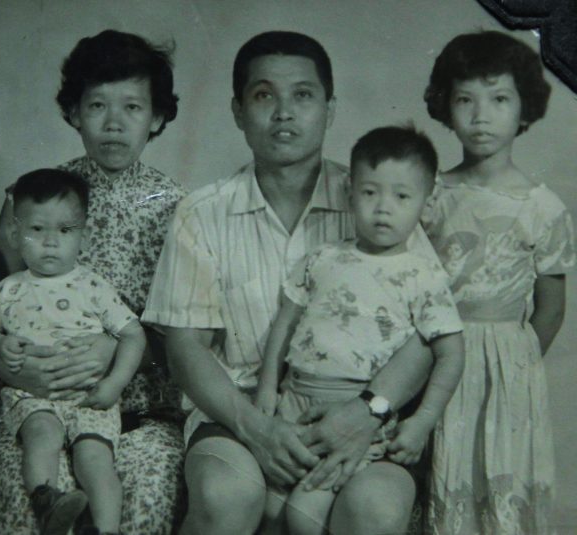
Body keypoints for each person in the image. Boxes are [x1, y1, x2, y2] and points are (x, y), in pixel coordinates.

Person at [142, 31, 437, 535]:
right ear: (238, 111)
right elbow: (186, 349)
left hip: (359, 415)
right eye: (264, 96)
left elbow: (428, 332)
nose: (284, 112)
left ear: (330, 107)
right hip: (236, 415)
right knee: (224, 495)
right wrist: (256, 429)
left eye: (303, 95)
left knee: (376, 511)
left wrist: (369, 411)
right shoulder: (202, 214)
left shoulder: (376, 200)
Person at [0, 30, 187, 535]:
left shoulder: (179, 209)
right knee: (29, 505)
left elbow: (188, 333)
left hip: (139, 412)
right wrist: (16, 363)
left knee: (142, 503)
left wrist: (117, 351)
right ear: (74, 112)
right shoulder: (32, 198)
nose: (113, 123)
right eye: (97, 105)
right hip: (37, 401)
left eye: (133, 108)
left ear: (157, 117)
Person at [254, 126, 465, 534]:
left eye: (401, 196)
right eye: (370, 193)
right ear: (350, 191)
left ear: (427, 200)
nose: (383, 208)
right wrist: (267, 386)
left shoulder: (423, 275)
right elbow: (285, 322)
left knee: (303, 516)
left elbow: (451, 353)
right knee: (271, 510)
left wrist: (423, 420)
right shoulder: (324, 257)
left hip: (358, 412)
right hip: (294, 401)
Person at [422, 31, 575, 534]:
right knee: (437, 473)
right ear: (446, 107)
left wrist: (515, 360)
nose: (481, 115)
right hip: (435, 354)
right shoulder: (431, 195)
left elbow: (550, 306)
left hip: (505, 365)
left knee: (496, 480)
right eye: (465, 99)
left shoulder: (542, 207)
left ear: (525, 108)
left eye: (499, 99)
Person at [0, 169, 146, 535]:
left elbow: (134, 335)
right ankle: (47, 501)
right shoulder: (8, 289)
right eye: (37, 230)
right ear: (14, 233)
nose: (51, 242)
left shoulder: (94, 287)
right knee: (43, 435)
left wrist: (115, 383)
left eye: (65, 231)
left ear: (83, 237)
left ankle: (104, 529)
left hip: (90, 395)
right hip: (31, 395)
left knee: (96, 458)